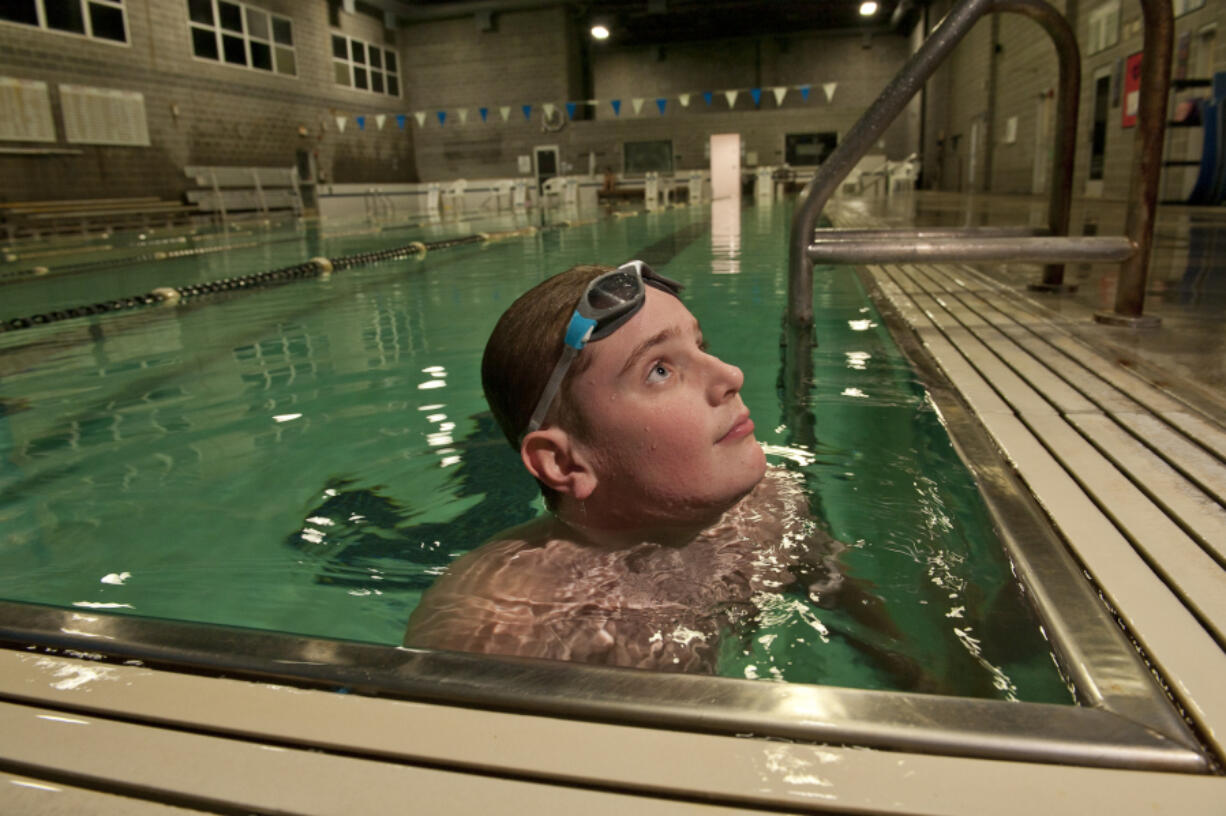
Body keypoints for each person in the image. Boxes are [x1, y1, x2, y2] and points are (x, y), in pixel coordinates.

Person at [403, 261, 844, 673]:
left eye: (700, 346)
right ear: (563, 462)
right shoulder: (499, 626)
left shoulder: (769, 506)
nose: (731, 375)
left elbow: (850, 612)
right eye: (659, 370)